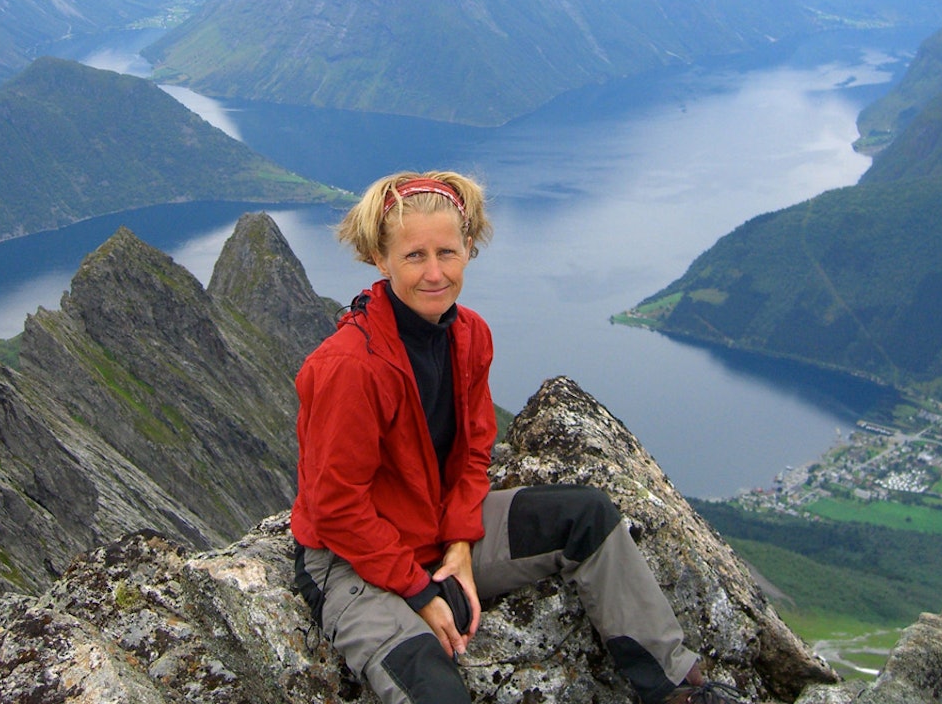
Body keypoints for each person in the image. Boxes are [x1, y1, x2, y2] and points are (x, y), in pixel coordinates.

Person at [291, 171, 741, 704]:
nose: (435, 273)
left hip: (435, 526)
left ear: (469, 250)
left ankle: (671, 687)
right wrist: (417, 590)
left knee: (588, 517)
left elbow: (474, 449)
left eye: (448, 253)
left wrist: (459, 546)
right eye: (414, 256)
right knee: (435, 689)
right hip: (348, 558)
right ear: (379, 259)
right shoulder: (351, 366)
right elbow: (336, 506)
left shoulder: (469, 335)